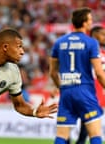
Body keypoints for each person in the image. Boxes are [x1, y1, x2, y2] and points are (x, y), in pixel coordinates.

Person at [49, 7, 105, 144]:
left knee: (61, 136)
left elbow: (52, 72)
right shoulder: (91, 43)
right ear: (84, 23)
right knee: (95, 134)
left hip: (66, 91)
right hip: (85, 91)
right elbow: (98, 73)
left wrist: (60, 87)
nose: (91, 22)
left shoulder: (59, 42)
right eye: (90, 19)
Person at [74, 26, 105, 144]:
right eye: (102, 34)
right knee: (90, 127)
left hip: (95, 93)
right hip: (87, 92)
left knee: (86, 127)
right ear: (95, 36)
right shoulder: (87, 51)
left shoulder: (100, 52)